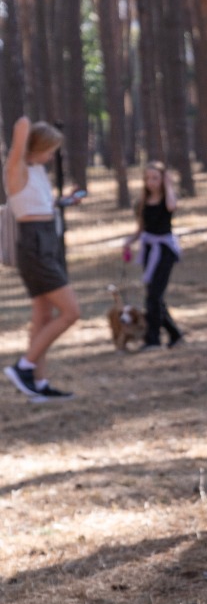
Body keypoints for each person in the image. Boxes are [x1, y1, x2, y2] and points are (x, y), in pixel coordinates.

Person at [3, 117, 81, 402]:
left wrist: (64, 202)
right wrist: (25, 124)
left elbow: (39, 204)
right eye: (49, 150)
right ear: (35, 148)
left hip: (47, 240)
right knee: (71, 312)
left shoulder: (36, 171)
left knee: (43, 317)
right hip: (34, 245)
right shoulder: (17, 169)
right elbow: (20, 132)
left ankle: (39, 384)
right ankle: (24, 367)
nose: (51, 157)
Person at [123, 161, 184, 350]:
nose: (151, 182)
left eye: (155, 177)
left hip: (165, 251)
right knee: (153, 296)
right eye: (147, 178)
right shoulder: (141, 203)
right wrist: (129, 242)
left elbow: (172, 206)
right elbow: (141, 229)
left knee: (154, 296)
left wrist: (168, 184)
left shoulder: (168, 200)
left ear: (163, 178)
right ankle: (174, 334)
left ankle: (153, 339)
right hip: (149, 250)